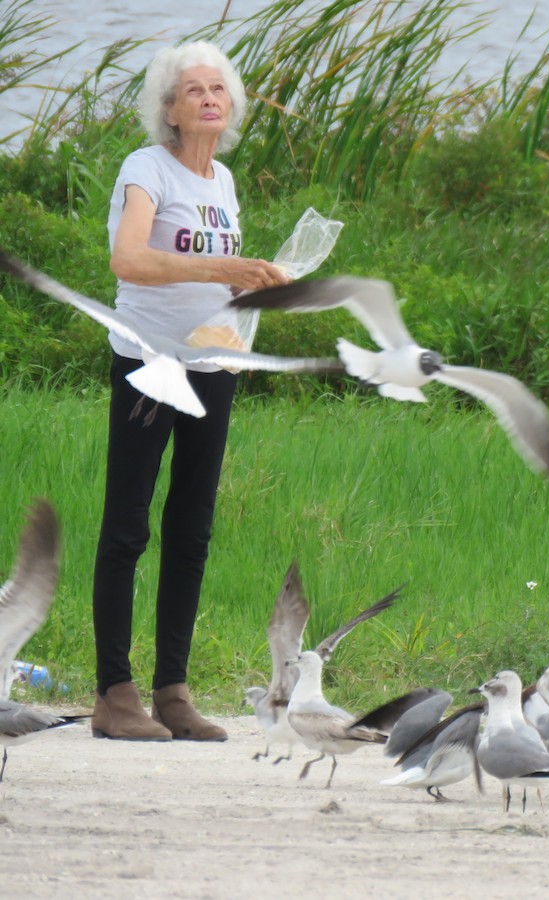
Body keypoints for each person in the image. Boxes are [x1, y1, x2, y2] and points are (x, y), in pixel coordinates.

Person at [91, 41, 289, 741]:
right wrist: (221, 266)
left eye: (219, 89)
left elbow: (215, 274)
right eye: (193, 90)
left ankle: (172, 690)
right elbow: (130, 259)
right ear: (170, 110)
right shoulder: (145, 169)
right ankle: (115, 694)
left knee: (193, 528)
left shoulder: (224, 181)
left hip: (214, 367)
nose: (209, 98)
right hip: (151, 364)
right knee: (128, 525)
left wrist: (250, 286)